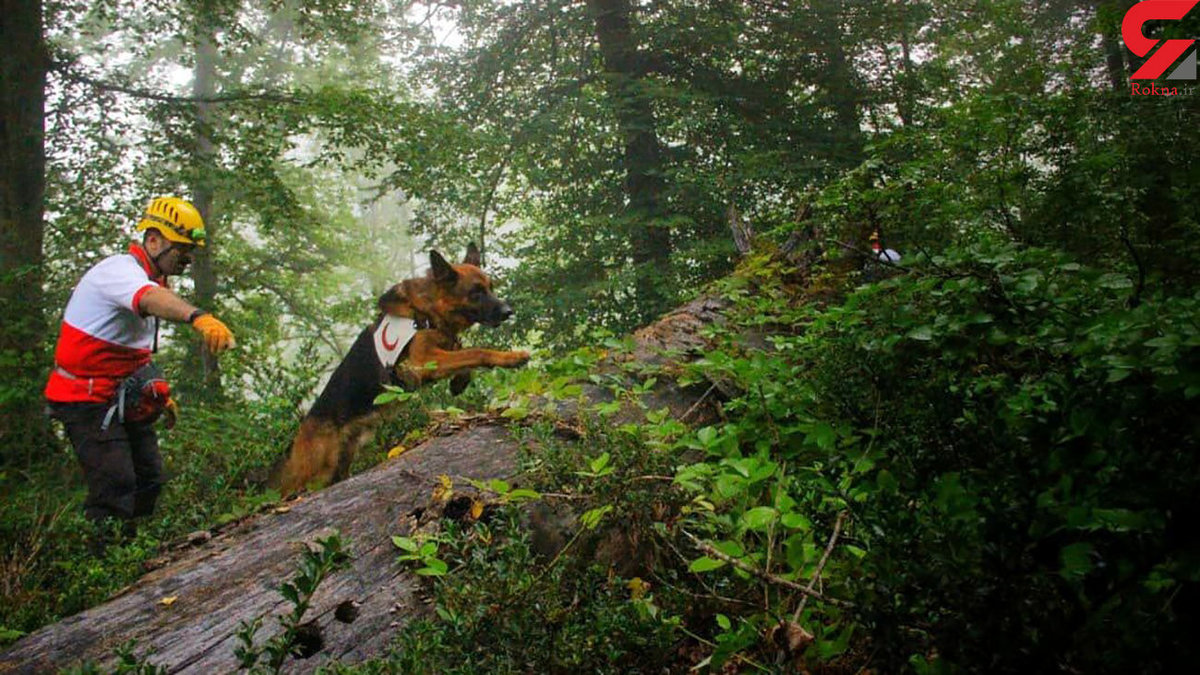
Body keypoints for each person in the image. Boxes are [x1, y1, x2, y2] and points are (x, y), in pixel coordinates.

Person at [44, 197, 235, 550]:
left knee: (150, 478)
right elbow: (147, 299)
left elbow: (133, 349)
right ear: (154, 241)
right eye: (182, 250)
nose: (187, 260)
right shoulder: (120, 272)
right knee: (116, 486)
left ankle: (130, 555)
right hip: (85, 400)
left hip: (119, 397)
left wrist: (160, 394)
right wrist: (198, 317)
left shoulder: (156, 279)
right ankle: (100, 568)